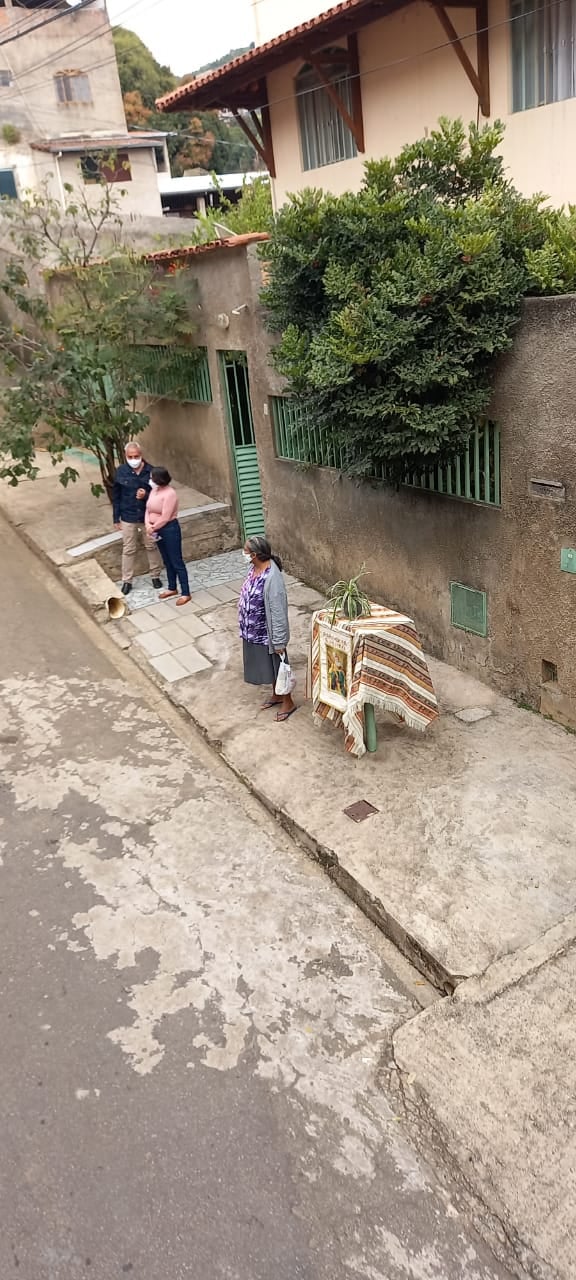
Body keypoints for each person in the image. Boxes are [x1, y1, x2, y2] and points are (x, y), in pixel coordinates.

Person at [238, 535, 296, 722]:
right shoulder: (254, 568)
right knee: (269, 667)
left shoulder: (272, 577)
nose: (243, 553)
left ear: (254, 555)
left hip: (268, 634)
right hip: (253, 632)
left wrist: (279, 641)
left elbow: (278, 611)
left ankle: (288, 702)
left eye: (246, 551)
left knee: (279, 667)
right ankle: (277, 695)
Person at [113, 442, 163, 596]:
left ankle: (155, 575)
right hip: (128, 516)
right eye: (130, 457)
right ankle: (127, 581)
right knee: (128, 549)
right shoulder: (121, 471)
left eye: (136, 456)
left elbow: (160, 496)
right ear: (125, 456)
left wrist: (145, 495)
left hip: (147, 517)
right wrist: (116, 518)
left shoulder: (151, 471)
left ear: (141, 455)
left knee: (151, 546)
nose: (134, 459)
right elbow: (116, 496)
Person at [145, 467, 191, 607]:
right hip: (156, 529)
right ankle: (172, 587)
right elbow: (148, 509)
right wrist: (148, 524)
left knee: (176, 560)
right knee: (166, 560)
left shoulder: (170, 493)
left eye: (152, 478)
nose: (150, 480)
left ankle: (185, 592)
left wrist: (153, 527)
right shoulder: (154, 491)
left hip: (169, 529)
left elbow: (166, 516)